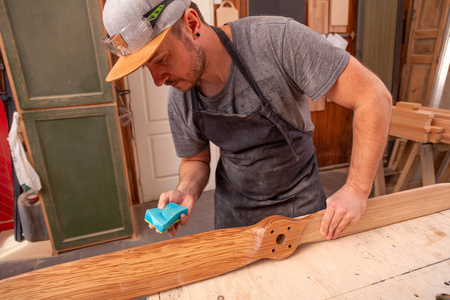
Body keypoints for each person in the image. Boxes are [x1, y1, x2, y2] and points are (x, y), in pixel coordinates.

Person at [101, 0, 392, 240]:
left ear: (192, 24)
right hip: (234, 218)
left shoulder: (277, 41)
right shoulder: (180, 95)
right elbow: (195, 162)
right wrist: (186, 190)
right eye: (146, 69)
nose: (157, 80)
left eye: (161, 59)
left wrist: (356, 189)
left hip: (301, 207)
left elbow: (373, 96)